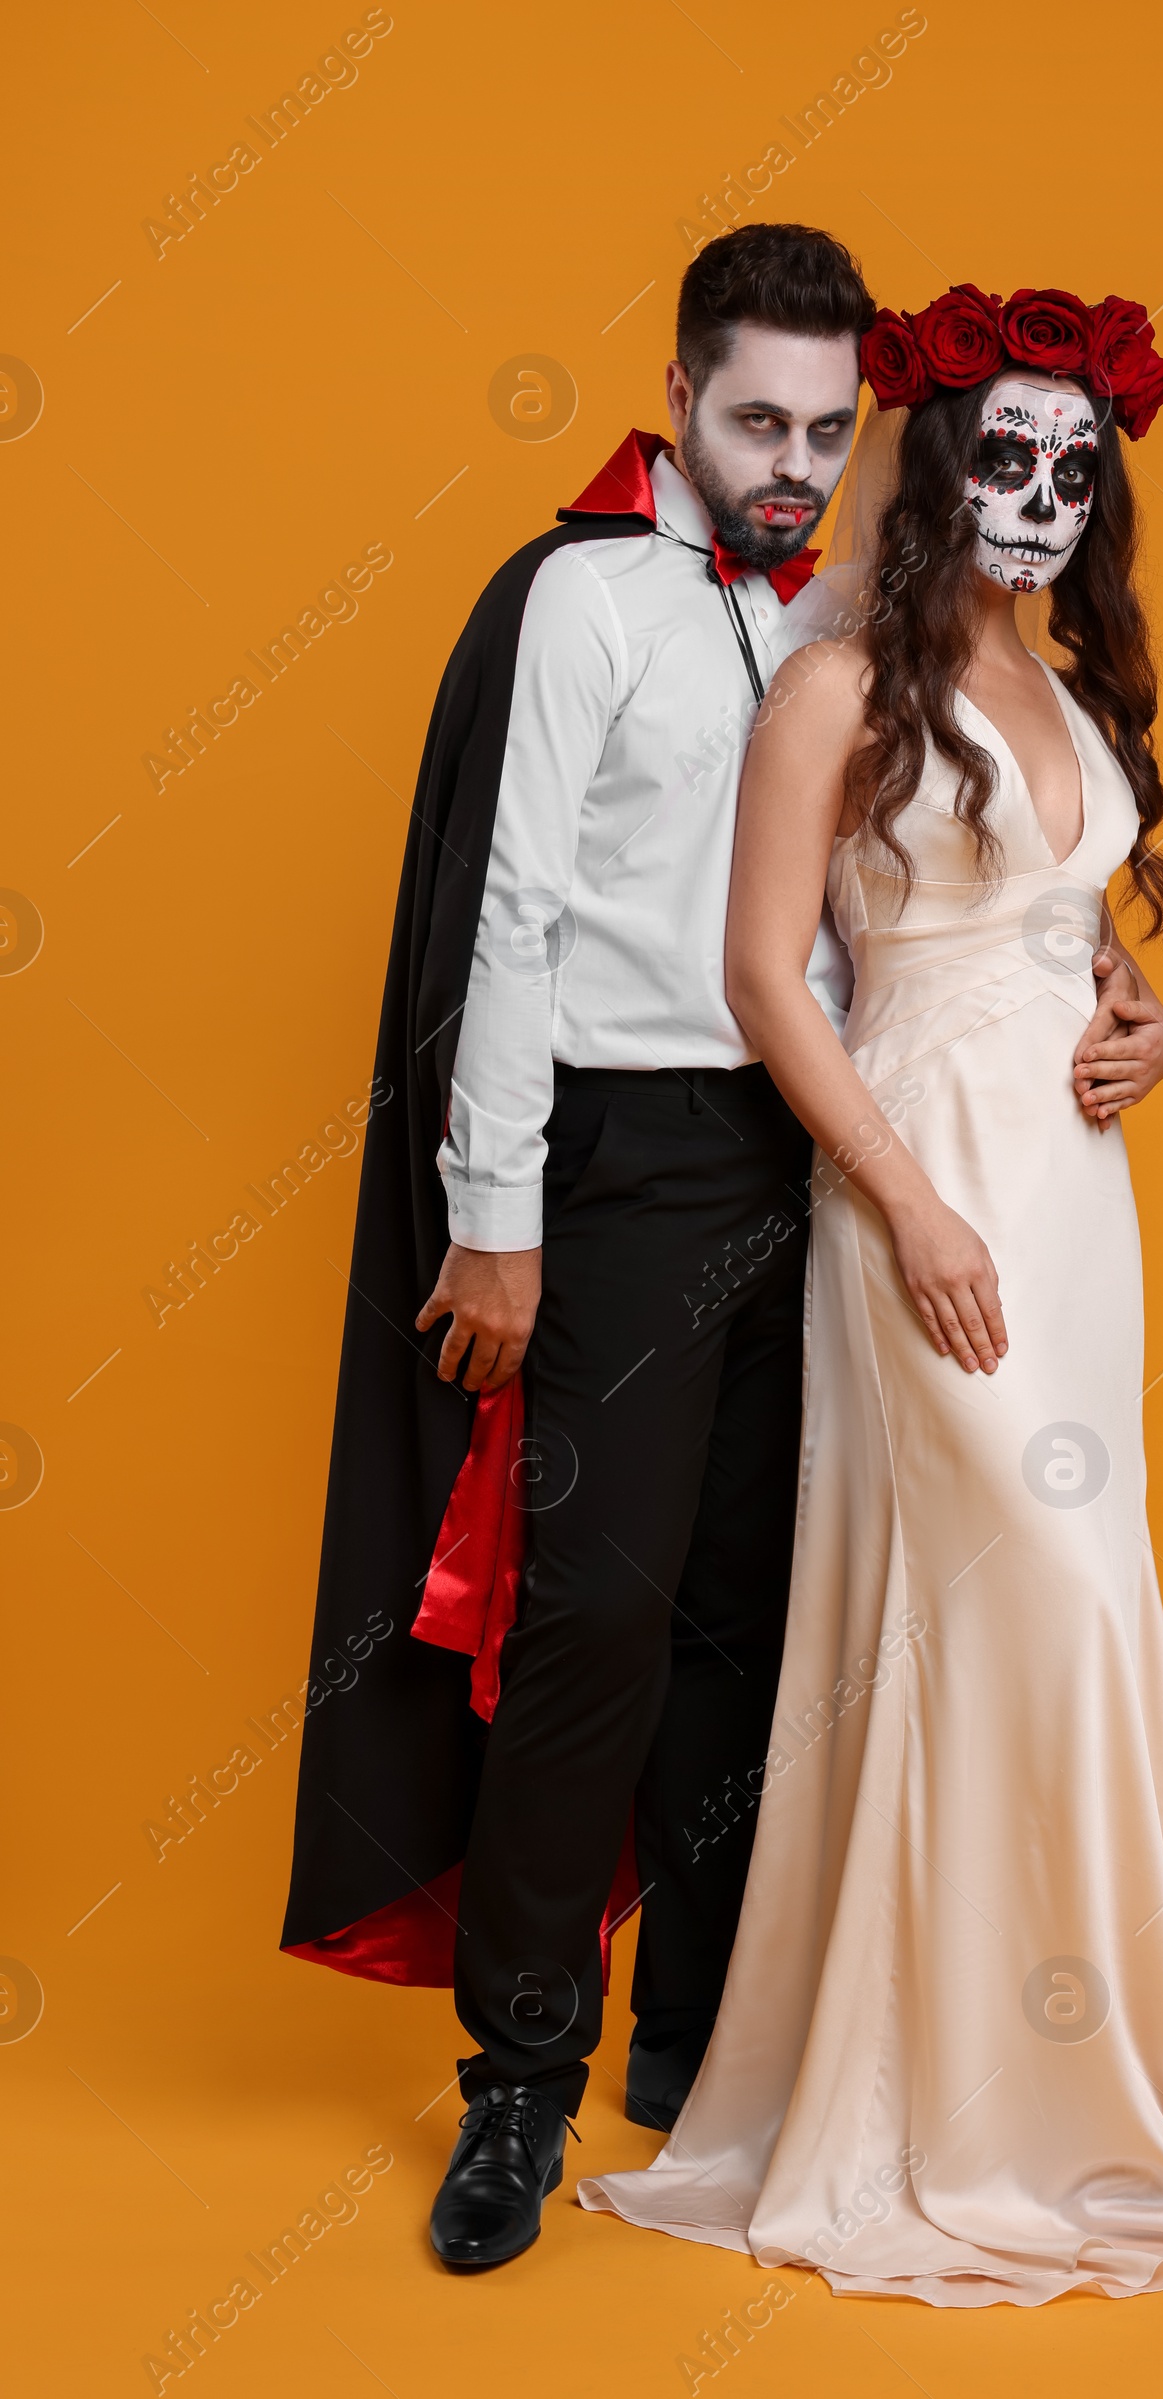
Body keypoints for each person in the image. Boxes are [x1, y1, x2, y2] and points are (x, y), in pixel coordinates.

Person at [580, 283, 1163, 2303]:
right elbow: (752, 979)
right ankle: (942, 2107)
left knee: (1076, 1602)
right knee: (1005, 1596)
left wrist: (1153, 1031)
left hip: (1072, 1205)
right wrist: (904, 1206)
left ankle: (1073, 2073)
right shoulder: (829, 692)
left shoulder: (1069, 695)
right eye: (1006, 457)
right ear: (933, 464)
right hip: (923, 1192)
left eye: (1076, 469)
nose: (1041, 495)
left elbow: (1068, 941)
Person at [278, 224, 880, 2271]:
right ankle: (520, 2073)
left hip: (803, 1153)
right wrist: (499, 1222)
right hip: (618, 1165)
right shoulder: (581, 602)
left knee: (747, 1612)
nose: (793, 458)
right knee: (595, 1622)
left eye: (828, 423)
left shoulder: (846, 616)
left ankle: (697, 2048)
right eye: (757, 418)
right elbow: (510, 913)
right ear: (683, 394)